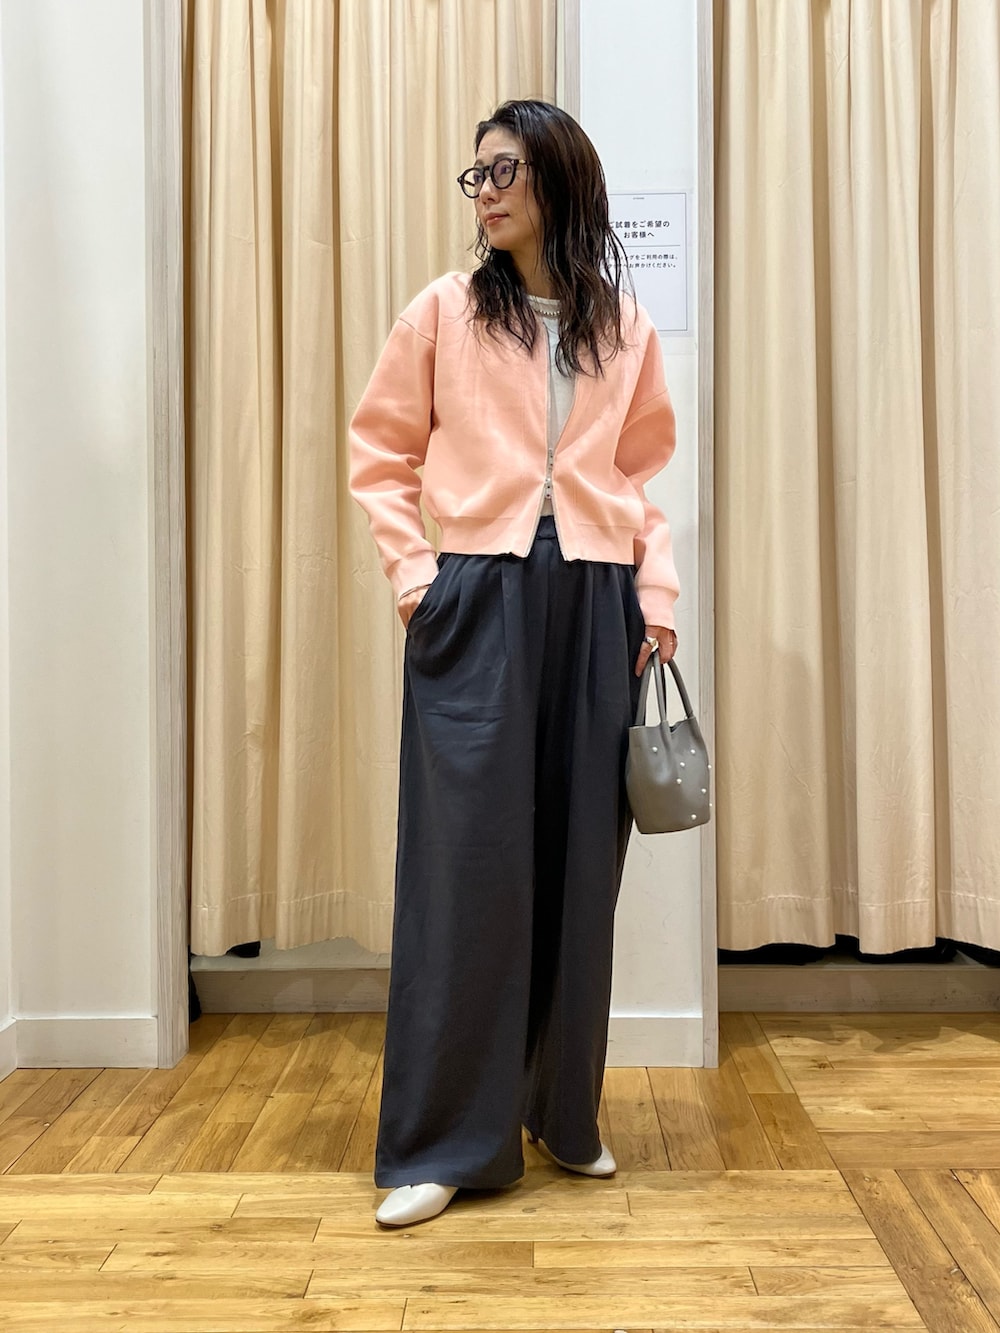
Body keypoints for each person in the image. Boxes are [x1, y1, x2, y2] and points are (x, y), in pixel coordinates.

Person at [349, 99, 679, 1227]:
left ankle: (559, 1111)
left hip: (596, 602)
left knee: (581, 865)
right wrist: (416, 579)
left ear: (558, 181)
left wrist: (654, 601)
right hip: (477, 599)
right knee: (467, 869)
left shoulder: (622, 325)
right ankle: (446, 1139)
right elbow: (380, 453)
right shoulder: (443, 311)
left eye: (504, 171)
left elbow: (636, 480)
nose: (484, 192)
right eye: (476, 174)